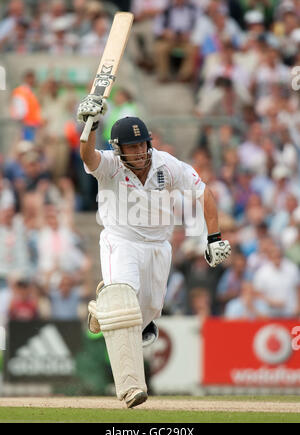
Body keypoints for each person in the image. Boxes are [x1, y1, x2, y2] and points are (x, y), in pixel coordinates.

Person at [76, 94, 231, 408]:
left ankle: (104, 307)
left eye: (143, 144)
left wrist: (213, 237)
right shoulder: (110, 165)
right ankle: (130, 387)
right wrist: (90, 126)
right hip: (121, 241)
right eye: (132, 147)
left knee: (146, 317)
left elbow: (203, 192)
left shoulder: (166, 164)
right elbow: (87, 156)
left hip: (159, 247)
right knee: (126, 306)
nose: (140, 152)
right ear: (119, 149)